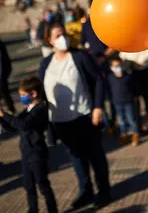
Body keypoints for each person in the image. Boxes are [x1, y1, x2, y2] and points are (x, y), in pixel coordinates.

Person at [38, 24, 111, 210]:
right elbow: (40, 91)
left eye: (64, 34)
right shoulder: (46, 63)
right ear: (50, 40)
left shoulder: (79, 56)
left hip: (84, 116)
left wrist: (98, 107)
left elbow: (99, 80)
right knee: (77, 157)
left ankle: (104, 191)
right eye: (58, 35)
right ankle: (85, 191)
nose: (63, 37)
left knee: (96, 155)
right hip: (60, 121)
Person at [0, 76, 58, 213]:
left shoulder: (40, 109)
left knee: (42, 184)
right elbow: (14, 127)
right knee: (28, 185)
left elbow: (24, 125)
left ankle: (52, 210)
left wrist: (5, 114)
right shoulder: (27, 110)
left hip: (37, 153)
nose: (21, 98)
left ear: (33, 94)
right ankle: (33, 209)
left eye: (23, 95)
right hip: (26, 153)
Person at [107, 57, 140, 146]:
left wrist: (135, 96)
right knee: (121, 121)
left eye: (119, 65)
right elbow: (109, 90)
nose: (117, 68)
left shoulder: (128, 76)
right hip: (117, 102)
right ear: (111, 67)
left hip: (128, 101)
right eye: (115, 66)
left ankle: (135, 135)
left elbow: (134, 87)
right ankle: (123, 135)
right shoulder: (110, 78)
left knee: (131, 119)